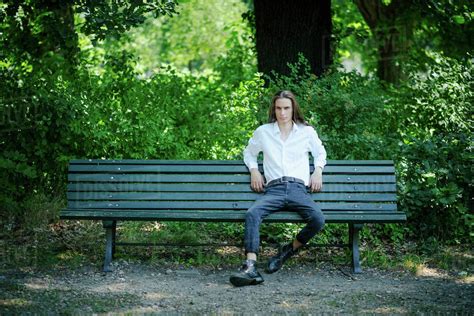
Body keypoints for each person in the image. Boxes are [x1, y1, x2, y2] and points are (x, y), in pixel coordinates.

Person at [229, 90, 327, 287]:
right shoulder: (264, 132)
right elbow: (249, 153)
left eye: (286, 108)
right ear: (274, 109)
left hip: (298, 189)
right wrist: (254, 171)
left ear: (293, 109)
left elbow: (320, 152)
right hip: (273, 189)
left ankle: (287, 251)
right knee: (252, 213)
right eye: (279, 108)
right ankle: (250, 266)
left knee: (318, 219)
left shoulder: (306, 132)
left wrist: (318, 171)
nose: (282, 112)